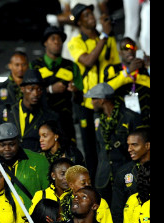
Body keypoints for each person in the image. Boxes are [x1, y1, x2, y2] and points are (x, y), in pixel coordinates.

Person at [67, 2, 120, 181]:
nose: (92, 18)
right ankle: (92, 184)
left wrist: (106, 36)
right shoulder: (75, 42)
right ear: (79, 23)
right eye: (86, 16)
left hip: (105, 100)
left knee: (106, 145)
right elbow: (88, 61)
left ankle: (107, 182)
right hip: (86, 103)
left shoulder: (107, 38)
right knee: (90, 147)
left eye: (92, 14)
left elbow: (114, 64)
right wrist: (104, 36)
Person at [85, 82, 144, 205]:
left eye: (93, 99)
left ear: (102, 100)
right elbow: (97, 148)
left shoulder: (129, 117)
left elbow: (140, 146)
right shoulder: (97, 118)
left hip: (125, 173)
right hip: (103, 177)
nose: (91, 102)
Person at [0, 122, 50, 211]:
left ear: (18, 142)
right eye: (2, 145)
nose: (7, 149)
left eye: (11, 144)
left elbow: (50, 195)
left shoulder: (39, 161)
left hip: (32, 221)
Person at [31, 26, 84, 144]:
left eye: (60, 39)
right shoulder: (35, 66)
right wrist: (50, 89)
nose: (57, 42)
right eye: (53, 39)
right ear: (45, 42)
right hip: (41, 120)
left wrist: (75, 91)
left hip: (65, 122)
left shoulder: (71, 66)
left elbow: (80, 97)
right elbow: (27, 93)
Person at [0, 69, 60, 153]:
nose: (35, 93)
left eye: (39, 89)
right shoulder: (6, 111)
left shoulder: (49, 116)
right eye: (31, 89)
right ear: (22, 89)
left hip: (35, 163)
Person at [111, 127, 150, 223]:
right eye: (128, 145)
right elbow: (117, 211)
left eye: (134, 145)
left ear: (147, 146)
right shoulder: (123, 173)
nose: (129, 149)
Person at [104, 37, 151, 125]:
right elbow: (106, 89)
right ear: (120, 53)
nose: (130, 51)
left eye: (132, 48)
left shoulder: (143, 69)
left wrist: (148, 67)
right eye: (125, 48)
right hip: (122, 120)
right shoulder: (113, 69)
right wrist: (127, 72)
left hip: (144, 118)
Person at [0, 51, 29, 124]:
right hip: (6, 131)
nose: (20, 68)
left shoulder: (34, 88)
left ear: (28, 65)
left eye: (23, 64)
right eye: (17, 65)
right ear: (10, 65)